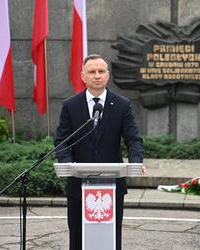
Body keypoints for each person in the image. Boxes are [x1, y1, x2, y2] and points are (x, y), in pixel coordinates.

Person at [54, 54, 144, 250]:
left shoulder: (122, 105)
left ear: (108, 75)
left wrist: (136, 162)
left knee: (110, 239)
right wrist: (67, 163)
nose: (97, 76)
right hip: (78, 186)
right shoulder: (70, 106)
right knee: (77, 239)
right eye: (92, 72)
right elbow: (62, 141)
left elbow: (133, 139)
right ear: (82, 76)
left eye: (101, 71)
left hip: (112, 186)